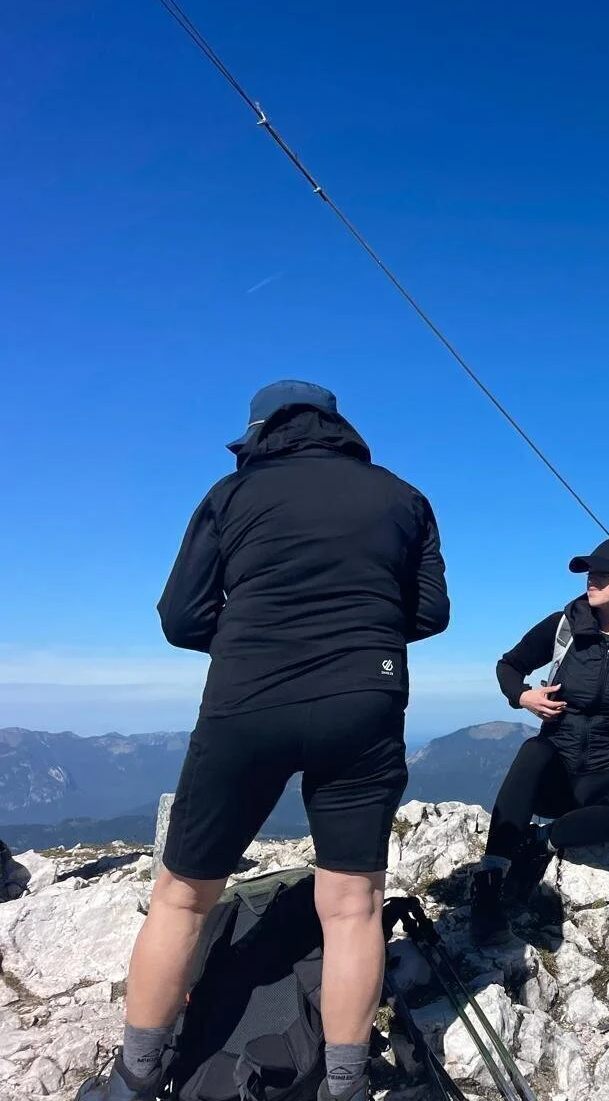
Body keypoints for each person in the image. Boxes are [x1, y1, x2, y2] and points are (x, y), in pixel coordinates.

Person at [78, 381, 449, 1101]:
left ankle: (134, 1081)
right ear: (337, 426)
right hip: (365, 699)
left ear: (260, 431)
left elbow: (180, 618)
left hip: (247, 699)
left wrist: (263, 639)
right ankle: (343, 1086)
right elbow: (430, 611)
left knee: (183, 896)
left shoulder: (232, 494)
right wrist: (351, 636)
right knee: (352, 907)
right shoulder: (404, 497)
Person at [470, 537, 609, 944]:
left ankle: (539, 843)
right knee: (532, 751)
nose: (593, 579)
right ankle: (488, 881)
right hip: (553, 764)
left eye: (605, 573)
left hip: (605, 770)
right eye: (591, 571)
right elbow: (510, 665)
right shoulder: (564, 625)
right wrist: (523, 697)